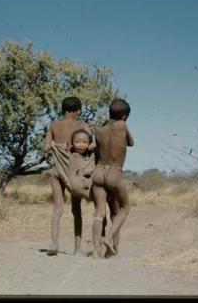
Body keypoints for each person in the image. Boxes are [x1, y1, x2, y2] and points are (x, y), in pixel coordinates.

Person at [43, 96, 94, 256]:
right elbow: (90, 145)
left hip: (58, 171)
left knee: (57, 208)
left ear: (64, 109)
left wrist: (54, 145)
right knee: (76, 210)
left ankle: (53, 242)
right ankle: (77, 248)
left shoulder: (54, 125)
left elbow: (45, 148)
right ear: (78, 110)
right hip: (75, 173)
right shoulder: (82, 125)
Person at [91, 98, 134, 258]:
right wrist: (123, 124)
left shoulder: (98, 130)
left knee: (99, 211)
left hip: (98, 172)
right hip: (115, 172)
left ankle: (96, 250)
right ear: (124, 116)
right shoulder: (122, 126)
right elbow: (131, 142)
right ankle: (109, 238)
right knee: (124, 208)